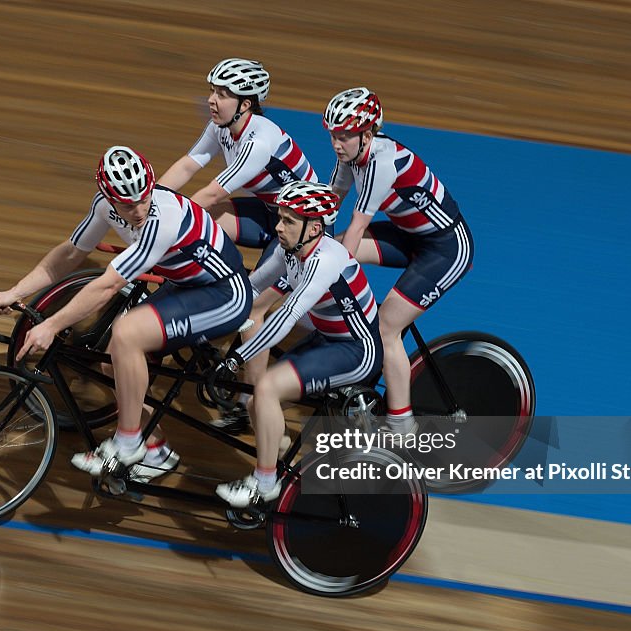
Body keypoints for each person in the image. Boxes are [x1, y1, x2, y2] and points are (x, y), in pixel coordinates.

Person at [0, 146, 252, 482]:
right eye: (127, 203)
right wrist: (16, 291)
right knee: (113, 358)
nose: (137, 210)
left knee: (126, 334)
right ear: (108, 197)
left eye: (143, 197)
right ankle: (155, 449)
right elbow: (69, 254)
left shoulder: (161, 217)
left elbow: (108, 286)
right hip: (187, 285)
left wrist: (51, 325)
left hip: (225, 293)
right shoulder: (104, 207)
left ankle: (127, 442)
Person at [158, 58, 319, 436]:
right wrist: (155, 203)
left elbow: (214, 191)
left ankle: (251, 403)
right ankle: (206, 301)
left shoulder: (259, 140)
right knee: (207, 235)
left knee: (252, 308)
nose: (212, 100)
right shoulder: (223, 125)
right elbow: (188, 163)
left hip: (298, 229)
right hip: (270, 210)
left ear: (246, 104)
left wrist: (167, 225)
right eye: (213, 90)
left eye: (223, 94)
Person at [212, 181, 383, 507]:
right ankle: (279, 461)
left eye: (289, 220)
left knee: (267, 390)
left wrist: (235, 358)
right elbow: (250, 288)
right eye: (280, 217)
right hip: (327, 339)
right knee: (254, 404)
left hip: (357, 350)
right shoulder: (288, 250)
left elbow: (288, 314)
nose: (278, 226)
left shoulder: (326, 260)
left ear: (314, 228)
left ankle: (264, 484)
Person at [323, 87, 473, 436]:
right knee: (329, 251)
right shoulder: (352, 155)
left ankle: (401, 424)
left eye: (344, 135)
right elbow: (329, 206)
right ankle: (353, 358)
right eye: (332, 134)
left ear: (368, 132)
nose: (336, 143)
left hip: (445, 247)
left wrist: (325, 276)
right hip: (408, 235)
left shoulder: (382, 162)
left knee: (387, 325)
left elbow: (358, 226)